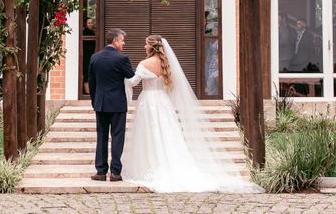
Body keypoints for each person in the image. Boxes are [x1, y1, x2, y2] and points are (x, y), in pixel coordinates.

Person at [121, 35, 263, 193]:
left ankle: (150, 165)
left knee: (148, 134)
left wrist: (121, 78)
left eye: (145, 44)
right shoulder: (166, 64)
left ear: (151, 47)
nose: (143, 47)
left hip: (147, 102)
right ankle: (170, 164)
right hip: (162, 101)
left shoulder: (144, 64)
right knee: (167, 133)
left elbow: (132, 82)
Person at [88, 28, 134, 182]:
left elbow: (92, 82)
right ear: (115, 41)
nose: (124, 43)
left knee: (101, 136)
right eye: (122, 40)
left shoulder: (95, 58)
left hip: (100, 103)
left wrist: (95, 101)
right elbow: (131, 76)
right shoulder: (122, 59)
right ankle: (115, 172)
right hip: (118, 104)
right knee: (117, 137)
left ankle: (100, 172)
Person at [82, 17, 96, 95]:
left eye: (92, 23)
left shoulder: (92, 32)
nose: (91, 24)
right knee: (86, 72)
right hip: (86, 55)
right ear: (86, 24)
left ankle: (90, 89)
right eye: (89, 23)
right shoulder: (85, 32)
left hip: (91, 55)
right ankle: (87, 91)